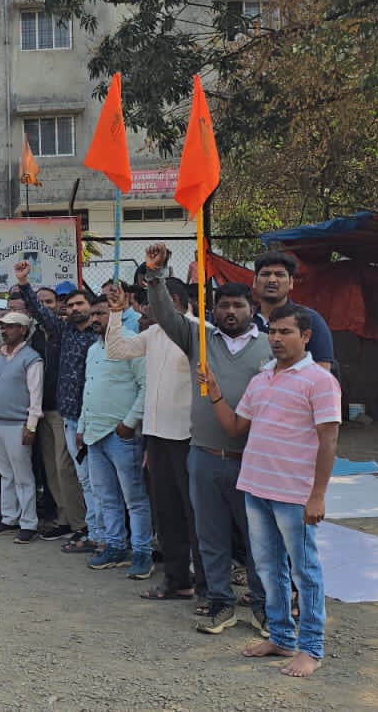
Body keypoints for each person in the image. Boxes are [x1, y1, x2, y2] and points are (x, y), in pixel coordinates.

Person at [132, 242, 270, 636]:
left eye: (238, 306)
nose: (230, 312)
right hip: (204, 454)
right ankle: (220, 602)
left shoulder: (269, 346)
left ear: (252, 309)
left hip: (251, 457)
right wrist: (155, 275)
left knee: (257, 537)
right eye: (223, 306)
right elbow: (164, 314)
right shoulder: (199, 338)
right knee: (210, 535)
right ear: (214, 310)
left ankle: (263, 606)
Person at [203, 304, 340, 678]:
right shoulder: (262, 379)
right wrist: (214, 392)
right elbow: (236, 427)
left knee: (305, 572)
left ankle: (311, 649)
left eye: (285, 332)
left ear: (306, 337)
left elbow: (329, 440)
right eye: (273, 332)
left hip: (294, 494)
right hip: (256, 486)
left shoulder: (319, 381)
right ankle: (280, 637)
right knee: (268, 567)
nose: (276, 339)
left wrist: (318, 494)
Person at [109, 277, 206, 603]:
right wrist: (115, 314)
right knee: (166, 513)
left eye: (150, 302)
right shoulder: (153, 334)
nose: (145, 310)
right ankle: (178, 580)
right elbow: (116, 350)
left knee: (196, 515)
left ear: (172, 300)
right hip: (157, 436)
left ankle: (208, 586)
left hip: (189, 437)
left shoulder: (199, 331)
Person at [15, 261, 104, 553]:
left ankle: (90, 529)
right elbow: (39, 311)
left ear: (91, 308)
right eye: (72, 305)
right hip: (66, 415)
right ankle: (77, 525)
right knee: (68, 473)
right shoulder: (65, 331)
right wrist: (24, 283)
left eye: (81, 304)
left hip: (91, 417)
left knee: (86, 477)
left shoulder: (100, 337)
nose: (75, 308)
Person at [77, 301, 152, 578]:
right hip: (94, 434)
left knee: (135, 499)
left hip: (122, 435)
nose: (95, 318)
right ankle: (115, 546)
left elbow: (146, 386)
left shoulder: (134, 343)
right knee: (106, 497)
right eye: (93, 314)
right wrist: (82, 427)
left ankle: (142, 552)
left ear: (117, 315)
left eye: (101, 313)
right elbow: (89, 389)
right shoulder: (93, 349)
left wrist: (130, 423)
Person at [0, 312, 43, 543]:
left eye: (9, 327)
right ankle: (9, 517)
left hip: (19, 423)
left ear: (23, 330)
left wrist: (31, 426)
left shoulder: (31, 358)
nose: (4, 331)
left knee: (22, 476)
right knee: (6, 474)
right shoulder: (0, 357)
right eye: (2, 327)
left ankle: (29, 522)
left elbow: (35, 394)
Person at [251, 251, 335, 371]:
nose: (272, 280)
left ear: (291, 282)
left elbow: (323, 371)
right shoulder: (245, 321)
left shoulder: (310, 320)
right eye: (265, 274)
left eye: (279, 275)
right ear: (255, 281)